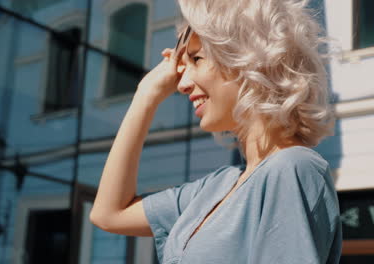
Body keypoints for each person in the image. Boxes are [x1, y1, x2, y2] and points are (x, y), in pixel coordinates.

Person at [90, 0, 342, 263]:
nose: (182, 84)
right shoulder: (217, 187)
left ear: (248, 58)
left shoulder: (292, 168)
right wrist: (145, 95)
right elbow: (109, 214)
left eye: (196, 59)